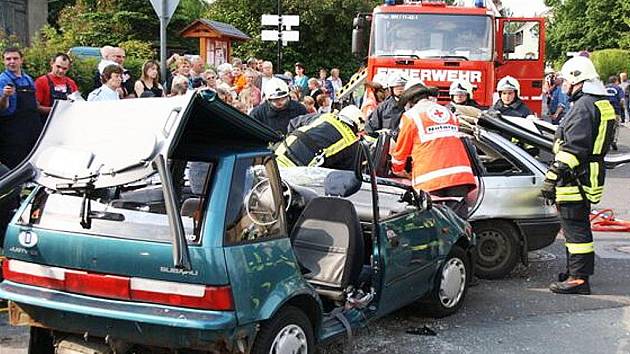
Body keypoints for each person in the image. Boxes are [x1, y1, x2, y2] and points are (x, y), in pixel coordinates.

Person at [541, 56, 615, 295]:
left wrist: (553, 175)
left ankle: (578, 279)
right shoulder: (600, 103)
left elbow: (574, 148)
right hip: (587, 174)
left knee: (575, 230)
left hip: (576, 177)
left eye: (566, 81)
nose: (564, 86)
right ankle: (576, 271)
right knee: (578, 227)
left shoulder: (584, 107)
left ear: (577, 79)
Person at [390, 79, 476, 217]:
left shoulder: (411, 116)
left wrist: (397, 169)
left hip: (431, 180)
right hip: (460, 177)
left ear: (410, 101)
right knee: (458, 226)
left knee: (435, 226)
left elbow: (400, 152)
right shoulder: (448, 113)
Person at [275, 105, 363, 170]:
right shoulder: (351, 142)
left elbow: (293, 123)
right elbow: (346, 174)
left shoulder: (323, 116)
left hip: (280, 152)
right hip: (298, 169)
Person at [0, 47, 44, 169]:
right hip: (12, 130)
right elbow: (2, 107)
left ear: (21, 60)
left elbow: (34, 103)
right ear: (4, 61)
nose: (12, 62)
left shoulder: (28, 79)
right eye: (8, 59)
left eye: (15, 58)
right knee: (14, 163)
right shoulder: (2, 80)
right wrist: (5, 96)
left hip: (31, 127)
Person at [34, 52, 79, 120]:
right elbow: (36, 107)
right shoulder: (41, 81)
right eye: (58, 66)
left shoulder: (71, 83)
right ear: (52, 63)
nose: (61, 71)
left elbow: (78, 104)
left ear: (68, 68)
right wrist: (55, 110)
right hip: (47, 123)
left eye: (64, 68)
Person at [364, 72, 408, 137]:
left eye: (402, 86)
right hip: (389, 145)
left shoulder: (413, 106)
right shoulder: (383, 107)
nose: (400, 89)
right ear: (390, 89)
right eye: (397, 87)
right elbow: (370, 128)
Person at [605, 75, 624, 150]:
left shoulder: (604, 87)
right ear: (616, 81)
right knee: (616, 127)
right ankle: (614, 141)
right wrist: (621, 107)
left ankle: (606, 142)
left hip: (605, 111)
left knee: (606, 127)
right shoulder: (618, 88)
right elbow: (622, 100)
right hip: (615, 110)